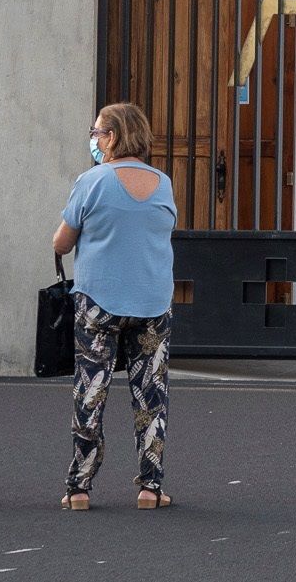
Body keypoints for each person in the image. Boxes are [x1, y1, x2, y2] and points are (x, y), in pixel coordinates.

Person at [53, 102, 177, 510]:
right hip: (153, 303)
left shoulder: (92, 181)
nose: (94, 139)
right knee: (150, 395)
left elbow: (62, 242)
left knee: (91, 391)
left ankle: (79, 488)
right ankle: (150, 487)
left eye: (97, 132)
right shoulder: (163, 182)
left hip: (99, 303)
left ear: (112, 137)